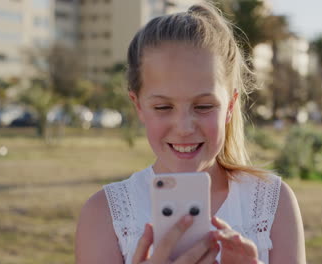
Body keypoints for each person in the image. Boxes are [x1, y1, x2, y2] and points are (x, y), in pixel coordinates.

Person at [75, 3, 305, 264]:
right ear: (138, 105)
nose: (184, 127)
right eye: (163, 107)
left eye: (204, 106)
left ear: (230, 106)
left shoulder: (272, 203)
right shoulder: (104, 214)